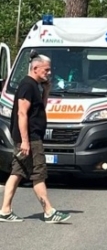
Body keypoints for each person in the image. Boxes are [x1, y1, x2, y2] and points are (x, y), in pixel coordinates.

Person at [0, 56, 70, 223]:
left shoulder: (35, 86)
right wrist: (25, 141)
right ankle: (49, 211)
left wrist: (46, 91)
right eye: (46, 69)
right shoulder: (27, 86)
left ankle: (5, 210)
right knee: (38, 174)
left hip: (31, 137)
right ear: (35, 68)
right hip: (30, 138)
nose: (49, 72)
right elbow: (22, 114)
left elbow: (39, 110)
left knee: (17, 173)